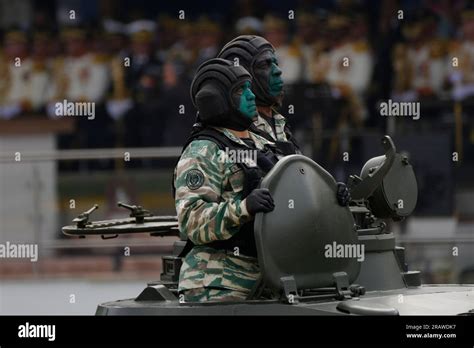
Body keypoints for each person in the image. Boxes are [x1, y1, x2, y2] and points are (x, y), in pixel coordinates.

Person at [175, 58, 279, 302]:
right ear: (218, 101)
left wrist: (326, 193)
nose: (252, 96)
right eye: (241, 91)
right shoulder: (203, 150)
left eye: (251, 89)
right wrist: (244, 208)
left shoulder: (263, 144)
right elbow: (191, 221)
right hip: (216, 283)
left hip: (270, 277)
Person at [217, 35, 300, 155]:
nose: (277, 71)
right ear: (240, 76)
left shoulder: (281, 124)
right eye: (264, 65)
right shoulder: (227, 133)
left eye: (275, 63)